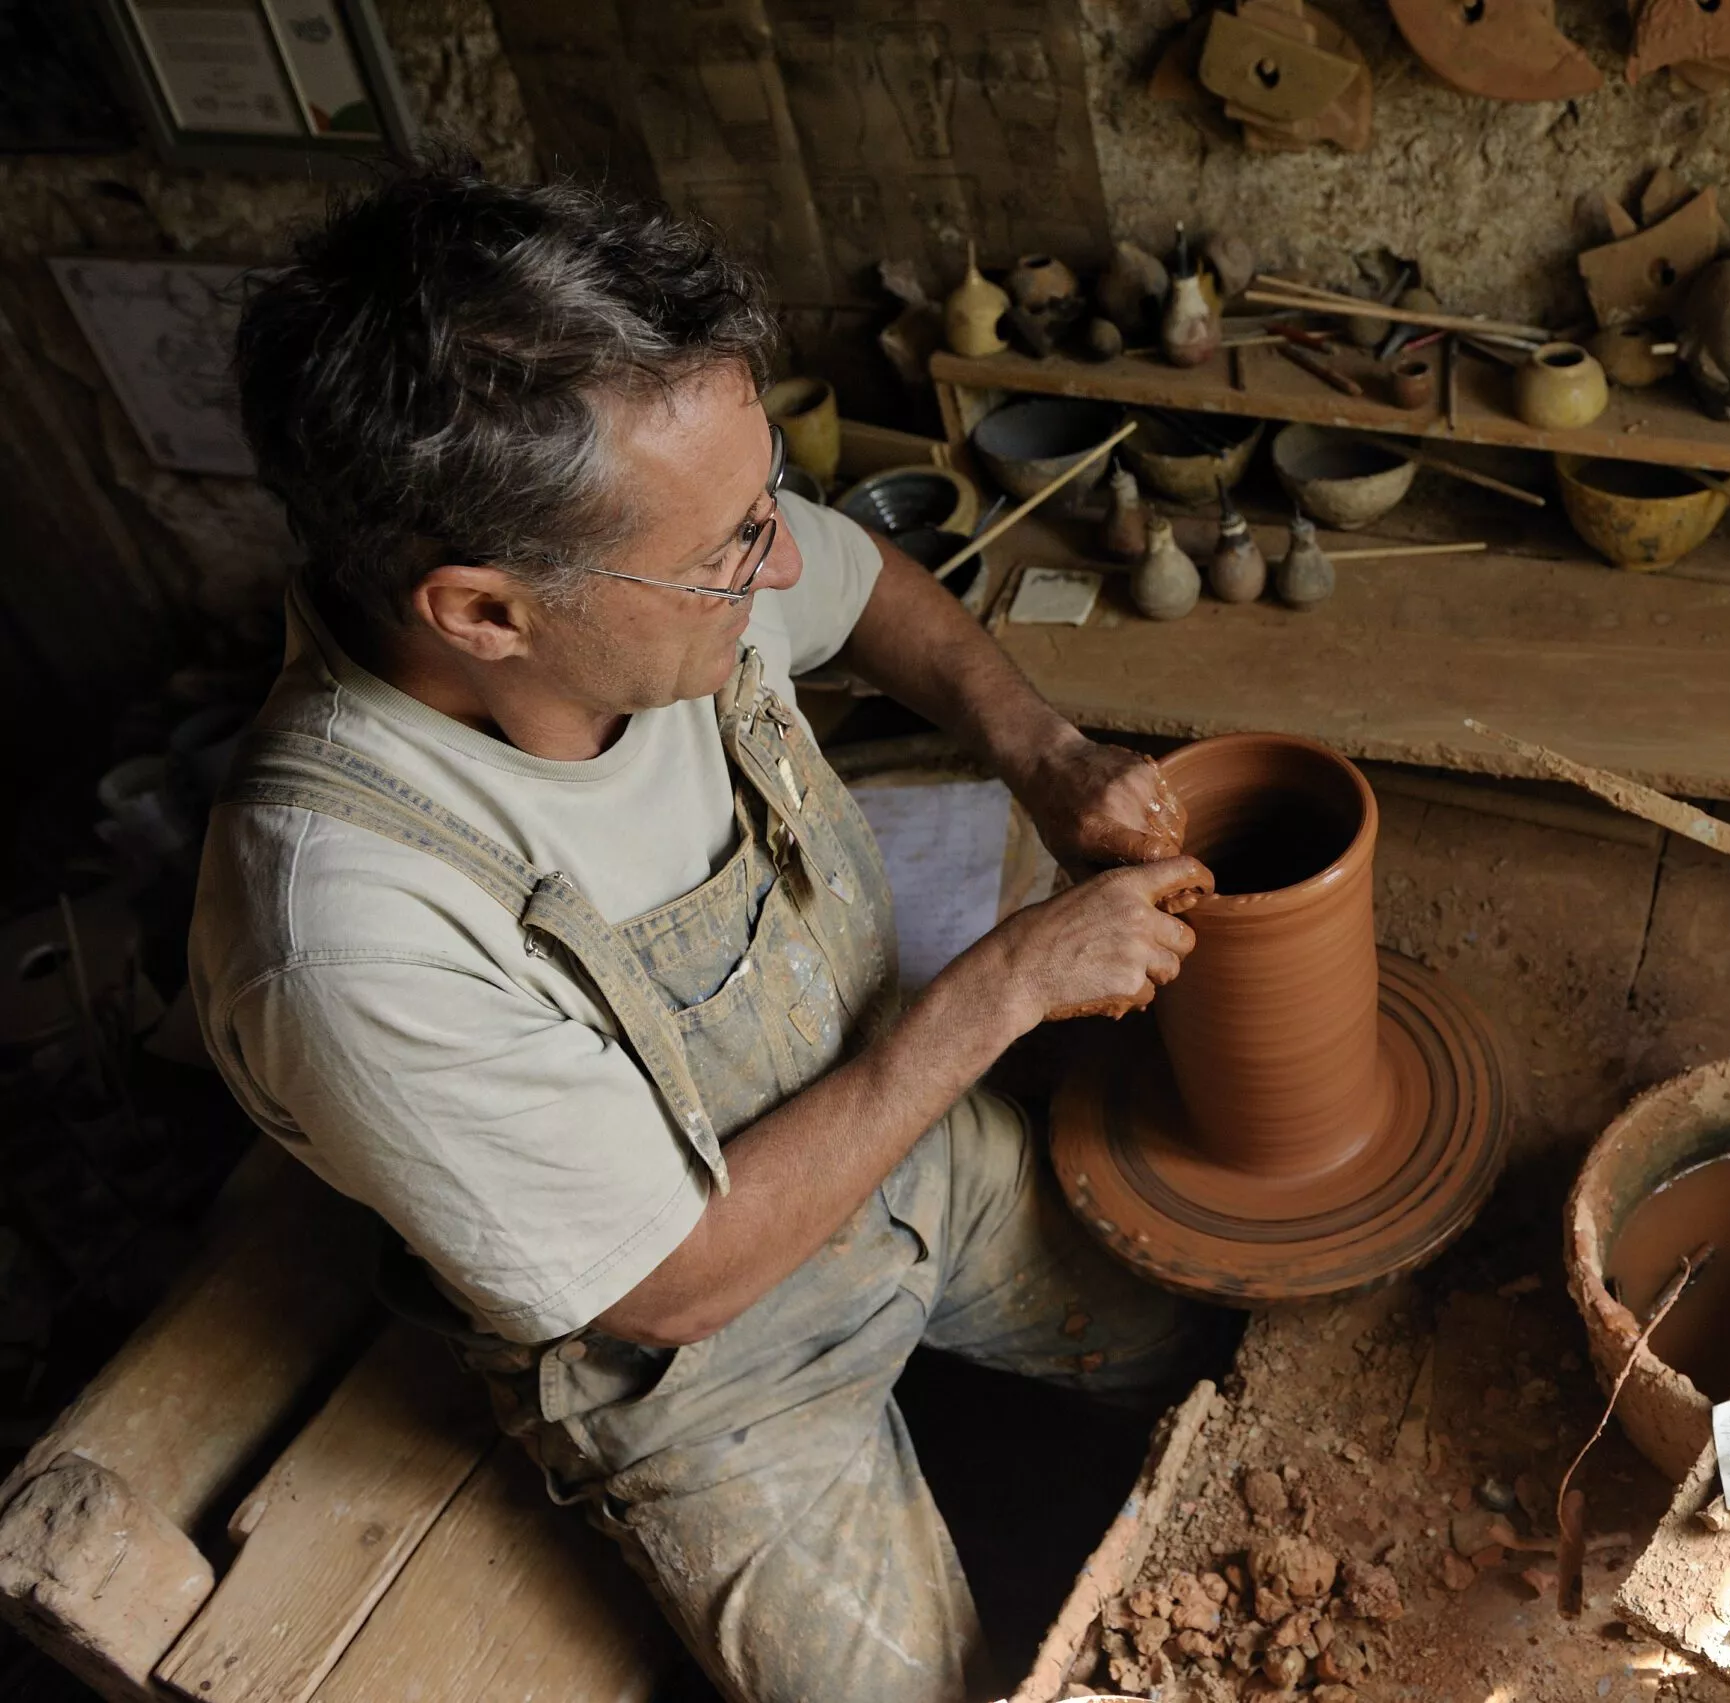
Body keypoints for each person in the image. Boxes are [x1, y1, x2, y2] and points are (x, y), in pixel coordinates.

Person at [190, 160, 1215, 1703]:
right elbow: (669, 1283)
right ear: (484, 612)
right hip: (707, 1367)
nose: (779, 562)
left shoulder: (664, 559)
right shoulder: (345, 925)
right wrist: (1003, 988)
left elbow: (867, 590)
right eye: (733, 549)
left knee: (1197, 1343)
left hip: (902, 1129)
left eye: (760, 506)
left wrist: (1044, 750)